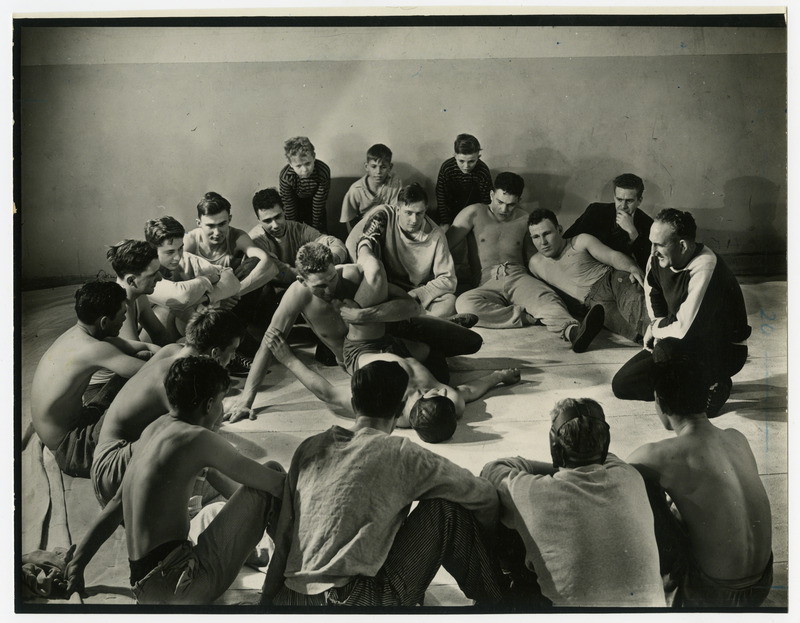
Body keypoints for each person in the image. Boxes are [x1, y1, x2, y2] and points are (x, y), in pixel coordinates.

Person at [260, 360, 507, 607]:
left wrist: (267, 603)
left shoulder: (309, 447)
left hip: (292, 599)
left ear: (355, 404)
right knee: (447, 509)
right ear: (401, 409)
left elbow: (283, 537)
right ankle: (503, 606)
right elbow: (483, 495)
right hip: (357, 603)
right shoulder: (401, 452)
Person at [64, 357, 286, 605]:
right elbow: (275, 484)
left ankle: (275, 556)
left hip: (146, 586)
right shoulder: (197, 438)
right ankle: (288, 578)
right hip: (183, 586)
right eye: (221, 401)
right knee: (274, 472)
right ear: (209, 404)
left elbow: (116, 504)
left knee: (215, 510)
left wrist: (78, 563)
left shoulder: (154, 429)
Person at [224, 242, 482, 423]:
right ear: (302, 281)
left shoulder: (355, 275)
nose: (328, 290)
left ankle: (450, 324)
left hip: (395, 331)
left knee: (471, 342)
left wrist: (364, 315)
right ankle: (446, 330)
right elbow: (269, 344)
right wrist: (247, 399)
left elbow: (412, 306)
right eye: (319, 286)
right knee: (441, 380)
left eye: (331, 280)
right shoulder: (296, 295)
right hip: (360, 354)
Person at [481, 398, 664, 607]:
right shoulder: (629, 476)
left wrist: (553, 467)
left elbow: (493, 469)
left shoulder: (530, 491)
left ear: (554, 447)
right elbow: (604, 459)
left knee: (499, 504)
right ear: (605, 443)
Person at [627, 360, 773, 607]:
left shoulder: (657, 456)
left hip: (713, 594)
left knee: (637, 488)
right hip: (762, 583)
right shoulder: (737, 438)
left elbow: (608, 477)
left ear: (660, 402)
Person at [91, 309, 243, 506]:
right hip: (115, 477)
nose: (231, 360)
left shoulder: (173, 350)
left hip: (106, 462)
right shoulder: (186, 380)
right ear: (214, 353)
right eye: (232, 352)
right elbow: (206, 445)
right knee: (225, 478)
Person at [263, 329, 520, 443]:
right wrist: (498, 376)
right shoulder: (451, 401)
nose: (439, 389)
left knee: (362, 294)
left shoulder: (384, 403)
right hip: (410, 348)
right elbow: (469, 391)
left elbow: (328, 394)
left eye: (433, 393)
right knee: (466, 341)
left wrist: (287, 358)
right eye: (441, 393)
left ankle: (328, 349)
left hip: (363, 349)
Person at [612, 209, 751, 417]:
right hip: (680, 340)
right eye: (651, 243)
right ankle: (692, 385)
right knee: (623, 384)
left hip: (723, 350)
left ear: (683, 245)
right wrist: (657, 326)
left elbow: (684, 328)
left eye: (659, 244)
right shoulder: (657, 258)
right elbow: (654, 294)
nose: (652, 250)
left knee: (666, 355)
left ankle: (716, 383)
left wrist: (654, 329)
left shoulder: (705, 266)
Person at [448, 172, 602, 352]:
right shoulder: (474, 213)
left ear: (519, 200)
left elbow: (535, 258)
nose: (505, 209)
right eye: (500, 202)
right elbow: (445, 246)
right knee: (464, 304)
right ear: (491, 195)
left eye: (511, 204)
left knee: (548, 298)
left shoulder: (525, 219)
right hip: (486, 281)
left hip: (518, 275)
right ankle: (528, 316)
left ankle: (573, 332)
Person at [30, 281, 160, 478]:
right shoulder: (94, 349)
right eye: (122, 315)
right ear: (104, 322)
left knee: (143, 361)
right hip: (73, 449)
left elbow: (141, 349)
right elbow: (154, 373)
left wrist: (158, 350)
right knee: (152, 397)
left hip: (72, 429)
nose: (125, 319)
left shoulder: (78, 334)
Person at [246, 187, 348, 362]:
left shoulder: (298, 229)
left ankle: (329, 341)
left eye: (278, 217)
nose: (275, 225)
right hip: (274, 299)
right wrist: (310, 275)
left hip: (303, 291)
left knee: (329, 281)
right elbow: (277, 269)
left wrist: (327, 262)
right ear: (258, 220)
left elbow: (334, 242)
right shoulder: (256, 238)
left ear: (284, 211)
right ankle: (268, 345)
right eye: (267, 220)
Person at [345, 182, 471, 320]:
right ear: (398, 209)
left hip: (414, 293)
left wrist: (417, 294)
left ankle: (396, 319)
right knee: (356, 275)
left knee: (449, 302)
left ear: (425, 209)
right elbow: (354, 241)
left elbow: (448, 279)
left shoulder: (436, 236)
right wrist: (367, 265)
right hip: (383, 285)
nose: (414, 220)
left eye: (419, 213)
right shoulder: (384, 214)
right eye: (408, 213)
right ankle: (416, 320)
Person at [527, 208, 649, 344]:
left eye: (547, 233)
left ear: (559, 230)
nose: (543, 242)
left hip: (612, 281)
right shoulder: (535, 265)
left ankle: (669, 336)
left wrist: (632, 267)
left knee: (637, 310)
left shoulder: (579, 241)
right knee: (632, 331)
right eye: (536, 237)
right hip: (594, 304)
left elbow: (612, 256)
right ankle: (662, 345)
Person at [145, 215, 240, 338]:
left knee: (205, 310)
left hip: (183, 333)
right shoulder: (145, 268)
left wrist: (208, 297)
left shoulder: (186, 259)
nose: (177, 257)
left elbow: (231, 279)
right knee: (176, 309)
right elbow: (181, 297)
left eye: (180, 248)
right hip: (153, 335)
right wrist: (206, 282)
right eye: (170, 252)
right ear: (153, 250)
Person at [184, 191, 274, 298]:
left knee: (257, 264)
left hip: (231, 299)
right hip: (202, 300)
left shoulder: (237, 236)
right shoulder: (189, 240)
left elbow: (268, 263)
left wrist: (233, 293)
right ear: (199, 223)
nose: (217, 232)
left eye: (222, 224)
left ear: (229, 220)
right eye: (210, 226)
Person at [563, 173, 654, 270]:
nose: (623, 206)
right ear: (614, 197)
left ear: (639, 201)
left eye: (629, 201)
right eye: (619, 199)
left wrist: (633, 234)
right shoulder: (595, 211)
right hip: (587, 269)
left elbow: (648, 266)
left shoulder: (648, 224)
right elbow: (568, 239)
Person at [105, 239, 171, 345]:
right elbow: (137, 356)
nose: (160, 278)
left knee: (166, 311)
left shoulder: (137, 296)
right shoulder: (118, 307)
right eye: (153, 274)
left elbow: (160, 334)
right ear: (131, 281)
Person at [339, 143, 403, 232]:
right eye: (374, 166)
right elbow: (349, 219)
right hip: (364, 230)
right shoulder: (356, 189)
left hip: (388, 229)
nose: (378, 172)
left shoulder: (394, 182)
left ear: (390, 167)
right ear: (366, 166)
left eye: (383, 167)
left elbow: (396, 213)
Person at [435, 133, 493, 226]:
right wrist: (445, 222)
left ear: (478, 156)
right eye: (461, 161)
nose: (466, 166)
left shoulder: (483, 171)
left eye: (471, 161)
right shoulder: (447, 168)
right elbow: (441, 196)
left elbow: (486, 201)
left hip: (474, 214)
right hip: (450, 214)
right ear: (455, 156)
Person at [279, 136, 331, 233]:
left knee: (320, 233)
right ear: (290, 164)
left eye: (308, 163)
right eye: (298, 166)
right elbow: (289, 205)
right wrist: (293, 230)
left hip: (316, 206)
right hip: (295, 205)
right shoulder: (286, 177)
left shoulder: (323, 171)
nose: (305, 170)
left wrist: (316, 230)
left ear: (314, 156)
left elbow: (319, 202)